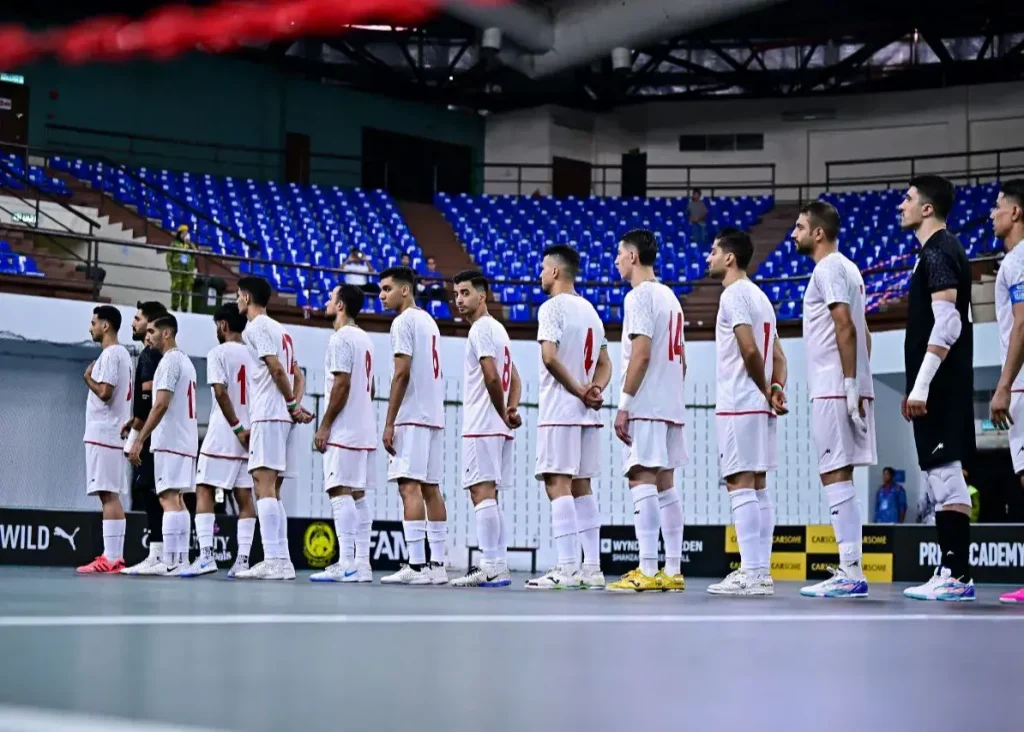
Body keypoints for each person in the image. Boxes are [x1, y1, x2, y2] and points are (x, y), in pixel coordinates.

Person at [790, 201, 877, 598]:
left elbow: (846, 326)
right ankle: (851, 567)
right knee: (842, 475)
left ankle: (851, 571)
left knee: (834, 474)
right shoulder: (851, 270)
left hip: (833, 386)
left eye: (799, 227)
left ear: (818, 233)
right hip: (847, 383)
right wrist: (858, 381)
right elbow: (864, 333)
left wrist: (848, 384)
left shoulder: (827, 269)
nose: (794, 234)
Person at [899, 174, 976, 601]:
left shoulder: (938, 250)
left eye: (908, 199)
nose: (902, 205)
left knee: (945, 476)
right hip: (939, 384)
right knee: (942, 477)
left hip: (942, 386)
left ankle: (956, 575)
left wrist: (922, 386)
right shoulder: (935, 251)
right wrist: (916, 385)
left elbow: (948, 324)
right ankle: (952, 570)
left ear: (927, 209)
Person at [705, 228, 786, 596]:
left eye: (713, 251)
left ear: (730, 258)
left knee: (739, 484)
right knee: (758, 486)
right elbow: (779, 357)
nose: (708, 257)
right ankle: (761, 571)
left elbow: (750, 350)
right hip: (759, 405)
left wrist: (762, 388)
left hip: (739, 402)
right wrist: (775, 389)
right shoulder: (761, 298)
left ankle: (751, 572)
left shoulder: (734, 295)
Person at [526, 245, 611, 590]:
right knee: (582, 486)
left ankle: (566, 567)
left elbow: (549, 357)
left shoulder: (552, 308)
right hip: (586, 414)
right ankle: (592, 568)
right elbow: (605, 363)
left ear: (556, 271)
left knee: (557, 484)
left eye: (543, 268)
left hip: (560, 409)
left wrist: (578, 390)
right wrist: (595, 390)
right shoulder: (591, 311)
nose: (540, 274)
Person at [607, 229, 688, 593]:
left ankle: (648, 568)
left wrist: (625, 405)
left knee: (641, 478)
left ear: (634, 257)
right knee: (666, 485)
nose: (616, 260)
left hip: (647, 403)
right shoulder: (671, 298)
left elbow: (640, 355)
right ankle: (672, 570)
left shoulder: (639, 296)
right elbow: (683, 362)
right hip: (670, 403)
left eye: (620, 254)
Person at [234, 276, 313, 580]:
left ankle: (272, 559)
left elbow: (277, 369)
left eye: (238, 295)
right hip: (282, 416)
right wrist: (295, 405)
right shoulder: (282, 330)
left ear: (247, 297)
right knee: (273, 490)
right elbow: (298, 375)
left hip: (269, 414)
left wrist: (292, 405)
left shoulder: (256, 328)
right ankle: (283, 561)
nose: (236, 300)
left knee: (262, 484)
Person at [450, 270, 522, 588]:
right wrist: (510, 409)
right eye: (456, 294)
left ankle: (489, 565)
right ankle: (498, 564)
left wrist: (501, 412)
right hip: (498, 427)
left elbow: (493, 376)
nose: (459, 299)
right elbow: (515, 379)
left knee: (480, 493)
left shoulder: (480, 329)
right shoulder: (499, 330)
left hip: (482, 424)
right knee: (489, 495)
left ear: (483, 295)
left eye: (465, 293)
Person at [378, 266, 450, 585]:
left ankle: (417, 565)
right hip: (433, 415)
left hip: (412, 415)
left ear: (405, 290)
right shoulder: (429, 321)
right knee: (431, 488)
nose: (382, 295)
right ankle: (438, 565)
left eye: (387, 289)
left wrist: (389, 421)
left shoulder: (403, 321)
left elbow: (401, 373)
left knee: (409, 487)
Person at [179, 305, 257, 578]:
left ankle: (206, 557)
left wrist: (236, 427)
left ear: (223, 325)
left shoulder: (218, 353)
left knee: (204, 489)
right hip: (250, 435)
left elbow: (221, 393)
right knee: (245, 497)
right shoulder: (255, 354)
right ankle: (243, 561)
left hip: (225, 433)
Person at [311, 285, 377, 583]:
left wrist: (325, 425)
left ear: (340, 306)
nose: (326, 301)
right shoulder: (366, 339)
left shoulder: (340, 338)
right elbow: (370, 389)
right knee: (358, 495)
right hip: (364, 427)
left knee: (339, 491)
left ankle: (346, 562)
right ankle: (362, 564)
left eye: (330, 298)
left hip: (344, 429)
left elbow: (342, 385)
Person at [127, 314, 197, 575]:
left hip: (170, 440)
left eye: (152, 331)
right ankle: (181, 560)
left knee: (167, 499)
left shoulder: (168, 362)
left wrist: (140, 439)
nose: (148, 336)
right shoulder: (186, 361)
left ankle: (170, 560)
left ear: (166, 333)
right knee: (178, 500)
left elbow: (160, 404)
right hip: (186, 440)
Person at [987, 179, 1024, 604]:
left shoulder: (1018, 260)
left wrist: (1004, 386)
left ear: (1015, 212)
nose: (992, 213)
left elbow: (1022, 322)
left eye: (999, 206)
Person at [77, 306, 133, 573]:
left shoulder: (111, 354)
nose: (91, 328)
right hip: (112, 434)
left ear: (106, 325)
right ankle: (114, 556)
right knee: (110, 495)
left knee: (108, 496)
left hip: (104, 433)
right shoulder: (123, 355)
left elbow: (105, 392)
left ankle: (111, 558)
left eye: (94, 323)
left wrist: (87, 378)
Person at [121, 301, 170, 576]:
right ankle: (161, 553)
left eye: (137, 318)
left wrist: (137, 434)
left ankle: (159, 554)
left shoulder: (150, 355)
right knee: (152, 492)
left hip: (152, 435)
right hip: (152, 431)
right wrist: (135, 420)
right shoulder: (154, 355)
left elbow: (150, 400)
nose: (133, 323)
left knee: (152, 493)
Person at [167, 224, 198, 312]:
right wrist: (170, 269)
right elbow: (169, 257)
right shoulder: (174, 244)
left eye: (186, 233)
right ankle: (174, 307)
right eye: (183, 233)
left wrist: (189, 243)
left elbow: (196, 253)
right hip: (177, 271)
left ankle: (184, 308)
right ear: (179, 234)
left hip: (187, 271)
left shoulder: (190, 245)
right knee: (176, 289)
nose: (185, 235)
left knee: (186, 290)